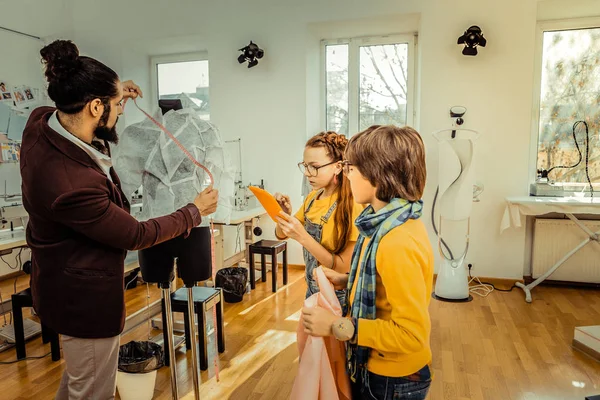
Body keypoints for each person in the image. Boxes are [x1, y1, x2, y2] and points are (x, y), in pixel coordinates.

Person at [20, 39, 219, 400]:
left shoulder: (39, 124)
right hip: (83, 299)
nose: (122, 111)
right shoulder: (72, 184)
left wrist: (113, 89)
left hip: (56, 284)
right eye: (115, 105)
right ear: (95, 107)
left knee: (80, 379)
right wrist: (195, 210)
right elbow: (135, 234)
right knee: (92, 388)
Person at [301, 125, 434, 400]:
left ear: (376, 174)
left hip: (393, 379)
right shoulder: (386, 221)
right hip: (380, 370)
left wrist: (337, 326)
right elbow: (386, 286)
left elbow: (411, 334)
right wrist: (347, 280)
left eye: (351, 167)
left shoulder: (396, 242)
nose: (346, 174)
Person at [274, 131, 363, 307]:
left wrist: (303, 237)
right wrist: (282, 214)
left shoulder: (351, 205)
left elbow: (341, 268)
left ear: (338, 167)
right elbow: (281, 235)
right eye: (305, 166)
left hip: (337, 296)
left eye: (314, 166)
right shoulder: (312, 198)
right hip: (313, 289)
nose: (307, 173)